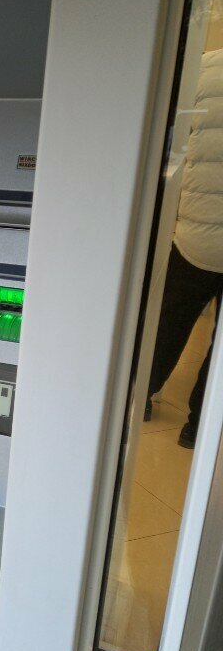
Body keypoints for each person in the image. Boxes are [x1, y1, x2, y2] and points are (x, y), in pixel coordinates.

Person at [146, 48, 223, 448]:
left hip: (195, 232)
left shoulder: (205, 65)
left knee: (169, 321)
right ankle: (199, 425)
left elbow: (178, 142)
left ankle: (142, 393)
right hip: (196, 226)